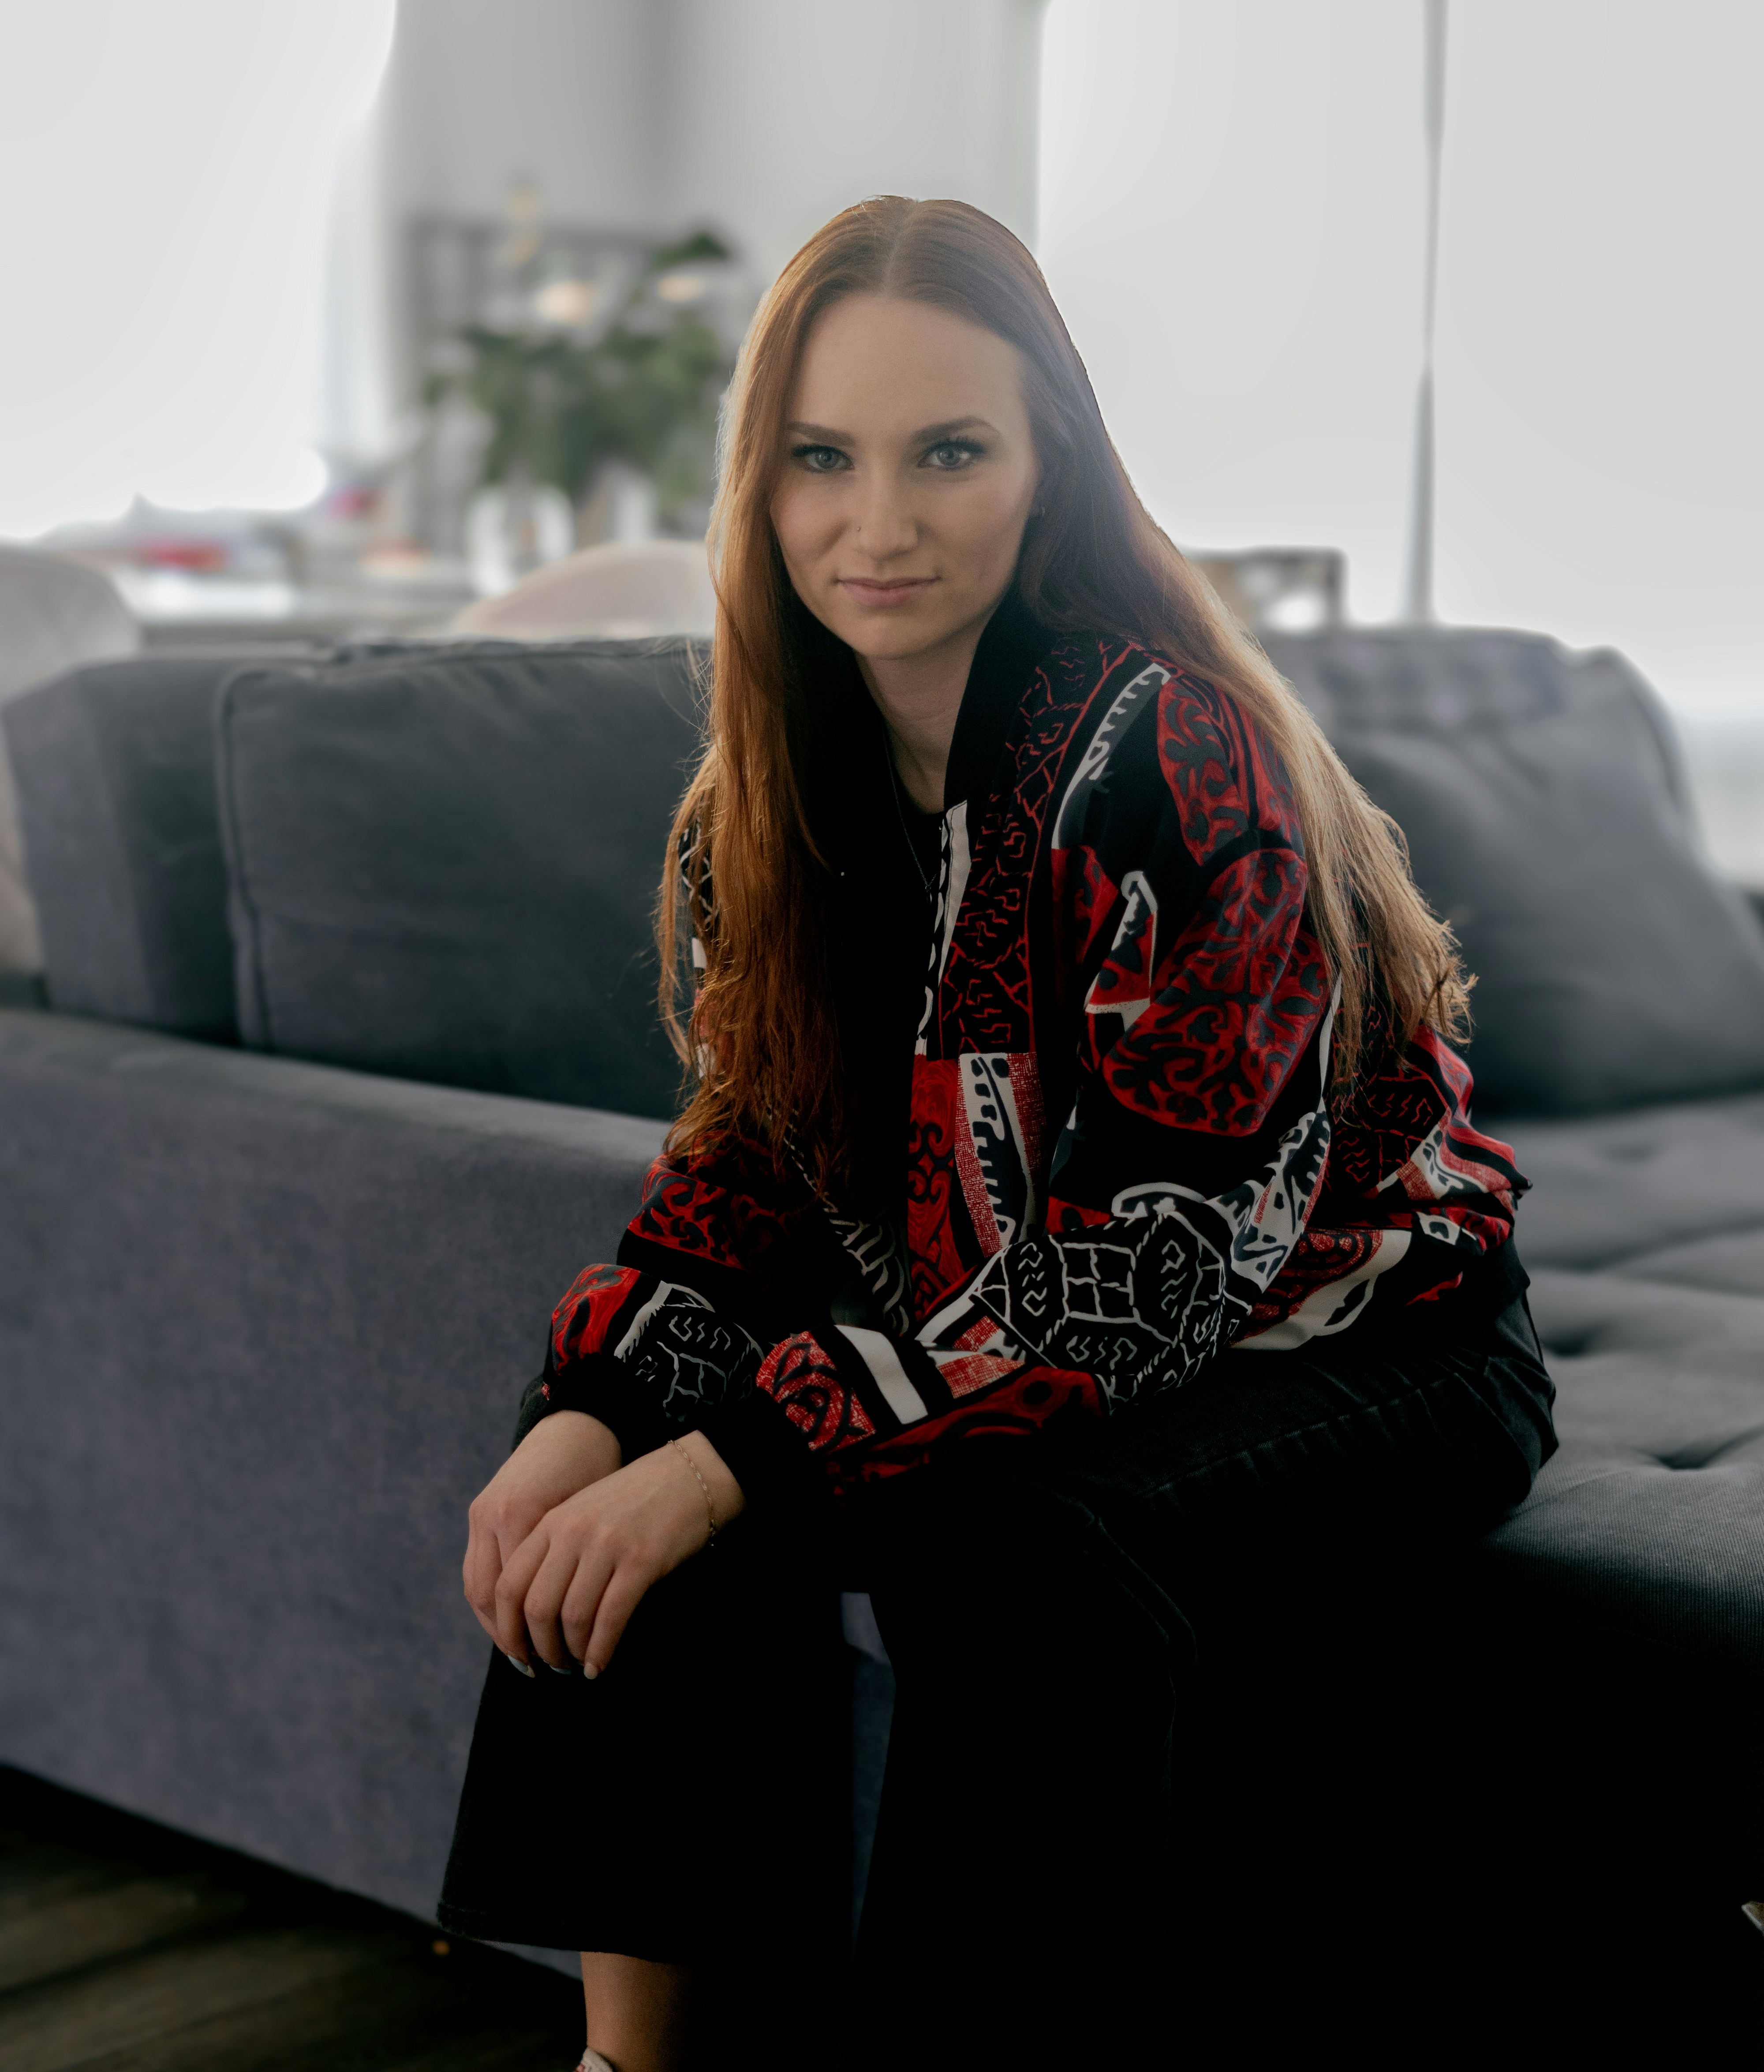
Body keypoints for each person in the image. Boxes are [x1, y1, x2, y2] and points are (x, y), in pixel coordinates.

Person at [437, 197, 1555, 2072]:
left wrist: (733, 1457)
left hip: (1379, 1344)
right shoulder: (759, 805)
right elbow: (744, 1169)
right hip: (1028, 1322)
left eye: (946, 451)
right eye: (822, 459)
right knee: (621, 1436)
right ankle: (629, 2060)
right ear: (760, 486)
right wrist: (595, 1405)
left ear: (1048, 466)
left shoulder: (1180, 758)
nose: (876, 522)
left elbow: (1148, 1280)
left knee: (985, 1532)